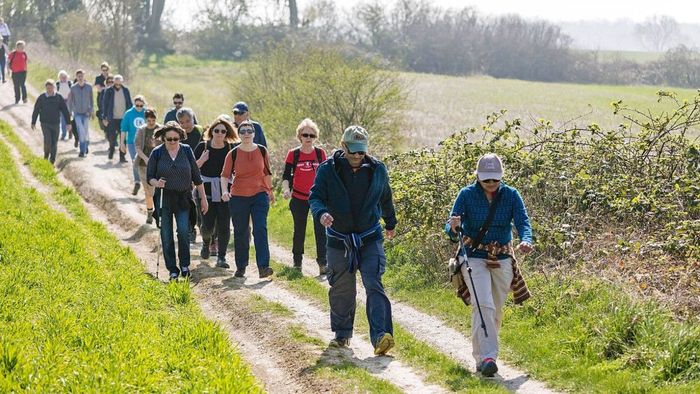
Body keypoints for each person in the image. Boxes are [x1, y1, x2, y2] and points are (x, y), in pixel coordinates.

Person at [309, 125, 397, 356]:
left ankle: (381, 336)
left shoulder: (377, 169)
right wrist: (321, 214)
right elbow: (316, 197)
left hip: (369, 237)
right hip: (339, 239)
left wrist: (390, 223)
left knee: (373, 282)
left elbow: (385, 196)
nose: (358, 156)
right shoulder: (328, 169)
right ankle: (342, 332)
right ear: (343, 146)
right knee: (342, 288)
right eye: (353, 151)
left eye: (361, 151)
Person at [446, 153, 533, 377]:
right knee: (483, 304)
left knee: (494, 310)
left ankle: (481, 357)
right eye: (487, 180)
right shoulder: (465, 195)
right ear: (478, 177)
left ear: (501, 177)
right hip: (473, 256)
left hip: (502, 258)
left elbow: (523, 221)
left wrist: (526, 239)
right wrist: (454, 227)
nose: (491, 184)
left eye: (495, 179)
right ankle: (488, 357)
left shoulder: (512, 195)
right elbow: (451, 230)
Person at [147, 122, 208, 282]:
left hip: (183, 197)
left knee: (183, 232)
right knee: (166, 234)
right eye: (169, 139)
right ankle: (172, 270)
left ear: (180, 137)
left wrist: (203, 199)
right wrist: (157, 183)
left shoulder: (186, 151)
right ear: (163, 138)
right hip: (164, 198)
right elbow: (149, 177)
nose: (173, 142)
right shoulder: (157, 153)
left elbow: (197, 177)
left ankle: (185, 266)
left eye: (176, 139)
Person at [220, 120, 274, 279]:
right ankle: (241, 266)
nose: (246, 134)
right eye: (242, 131)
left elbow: (267, 173)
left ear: (254, 133)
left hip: (259, 195)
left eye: (249, 131)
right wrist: (224, 192)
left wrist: (270, 191)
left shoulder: (262, 151)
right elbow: (224, 176)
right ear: (238, 134)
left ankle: (263, 267)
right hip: (238, 197)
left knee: (260, 229)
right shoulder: (233, 153)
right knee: (241, 232)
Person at [281, 118, 328, 275]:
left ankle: (323, 263)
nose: (308, 138)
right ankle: (297, 263)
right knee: (299, 230)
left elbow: (327, 176)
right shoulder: (293, 154)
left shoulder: (321, 154)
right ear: (299, 136)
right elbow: (286, 176)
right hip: (299, 198)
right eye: (305, 134)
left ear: (316, 137)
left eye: (312, 135)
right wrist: (286, 189)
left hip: (318, 199)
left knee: (321, 230)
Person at [194, 117, 239, 269]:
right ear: (211, 131)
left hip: (224, 192)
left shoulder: (231, 149)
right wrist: (201, 160)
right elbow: (193, 169)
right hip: (205, 191)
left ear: (227, 133)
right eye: (216, 130)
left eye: (223, 131)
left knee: (224, 225)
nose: (219, 133)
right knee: (207, 226)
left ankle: (222, 257)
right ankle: (206, 243)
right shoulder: (203, 146)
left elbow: (235, 171)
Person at [177, 107, 204, 242]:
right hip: (184, 173)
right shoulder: (177, 135)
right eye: (182, 122)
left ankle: (202, 227)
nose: (185, 125)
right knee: (187, 203)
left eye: (188, 121)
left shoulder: (201, 131)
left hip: (201, 172)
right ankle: (190, 229)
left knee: (199, 202)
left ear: (193, 119)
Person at [31, 80, 72, 164]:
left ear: (54, 88)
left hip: (56, 123)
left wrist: (68, 123)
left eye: (51, 88)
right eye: (47, 88)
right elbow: (36, 109)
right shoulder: (42, 97)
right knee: (48, 141)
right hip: (45, 123)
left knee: (54, 142)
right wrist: (33, 122)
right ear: (45, 88)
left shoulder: (58, 97)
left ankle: (52, 160)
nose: (49, 90)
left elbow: (65, 110)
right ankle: (46, 156)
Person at [135, 109, 159, 224]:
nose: (151, 122)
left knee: (157, 191)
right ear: (146, 120)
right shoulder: (142, 130)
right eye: (149, 120)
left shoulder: (160, 130)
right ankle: (150, 212)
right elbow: (138, 147)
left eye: (153, 120)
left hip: (158, 165)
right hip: (143, 165)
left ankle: (158, 213)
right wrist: (145, 158)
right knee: (148, 191)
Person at [101, 74, 132, 161]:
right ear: (114, 82)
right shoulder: (109, 91)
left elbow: (129, 103)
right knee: (112, 137)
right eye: (116, 83)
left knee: (123, 138)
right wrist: (104, 117)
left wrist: (131, 116)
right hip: (112, 118)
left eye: (119, 83)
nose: (118, 85)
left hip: (123, 118)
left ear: (122, 82)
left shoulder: (126, 90)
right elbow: (105, 104)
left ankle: (122, 156)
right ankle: (111, 149)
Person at [120, 95, 147, 195]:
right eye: (137, 105)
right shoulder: (129, 114)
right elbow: (123, 129)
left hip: (145, 142)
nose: (139, 107)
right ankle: (137, 182)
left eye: (141, 105)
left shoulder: (147, 113)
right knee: (135, 161)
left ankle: (146, 183)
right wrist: (122, 143)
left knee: (145, 162)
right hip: (132, 142)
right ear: (134, 104)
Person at [68, 69, 93, 158]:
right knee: (81, 130)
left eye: (81, 75)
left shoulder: (89, 87)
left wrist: (91, 111)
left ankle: (86, 145)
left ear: (84, 76)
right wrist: (69, 112)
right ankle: (82, 151)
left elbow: (91, 100)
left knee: (85, 130)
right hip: (77, 113)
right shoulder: (73, 88)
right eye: (78, 76)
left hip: (86, 113)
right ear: (76, 77)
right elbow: (70, 101)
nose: (80, 77)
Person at [56, 70, 72, 141]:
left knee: (70, 118)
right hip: (60, 102)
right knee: (62, 119)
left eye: (65, 76)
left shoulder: (70, 83)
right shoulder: (58, 84)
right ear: (59, 77)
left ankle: (70, 131)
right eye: (62, 77)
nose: (64, 78)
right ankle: (63, 134)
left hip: (69, 102)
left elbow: (72, 92)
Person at [94, 62, 110, 133]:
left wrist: (104, 87)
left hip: (110, 98)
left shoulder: (110, 77)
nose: (105, 72)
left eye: (106, 70)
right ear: (101, 70)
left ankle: (108, 130)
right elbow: (99, 89)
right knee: (102, 112)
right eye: (103, 70)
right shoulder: (98, 78)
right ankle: (103, 126)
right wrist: (107, 87)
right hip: (101, 98)